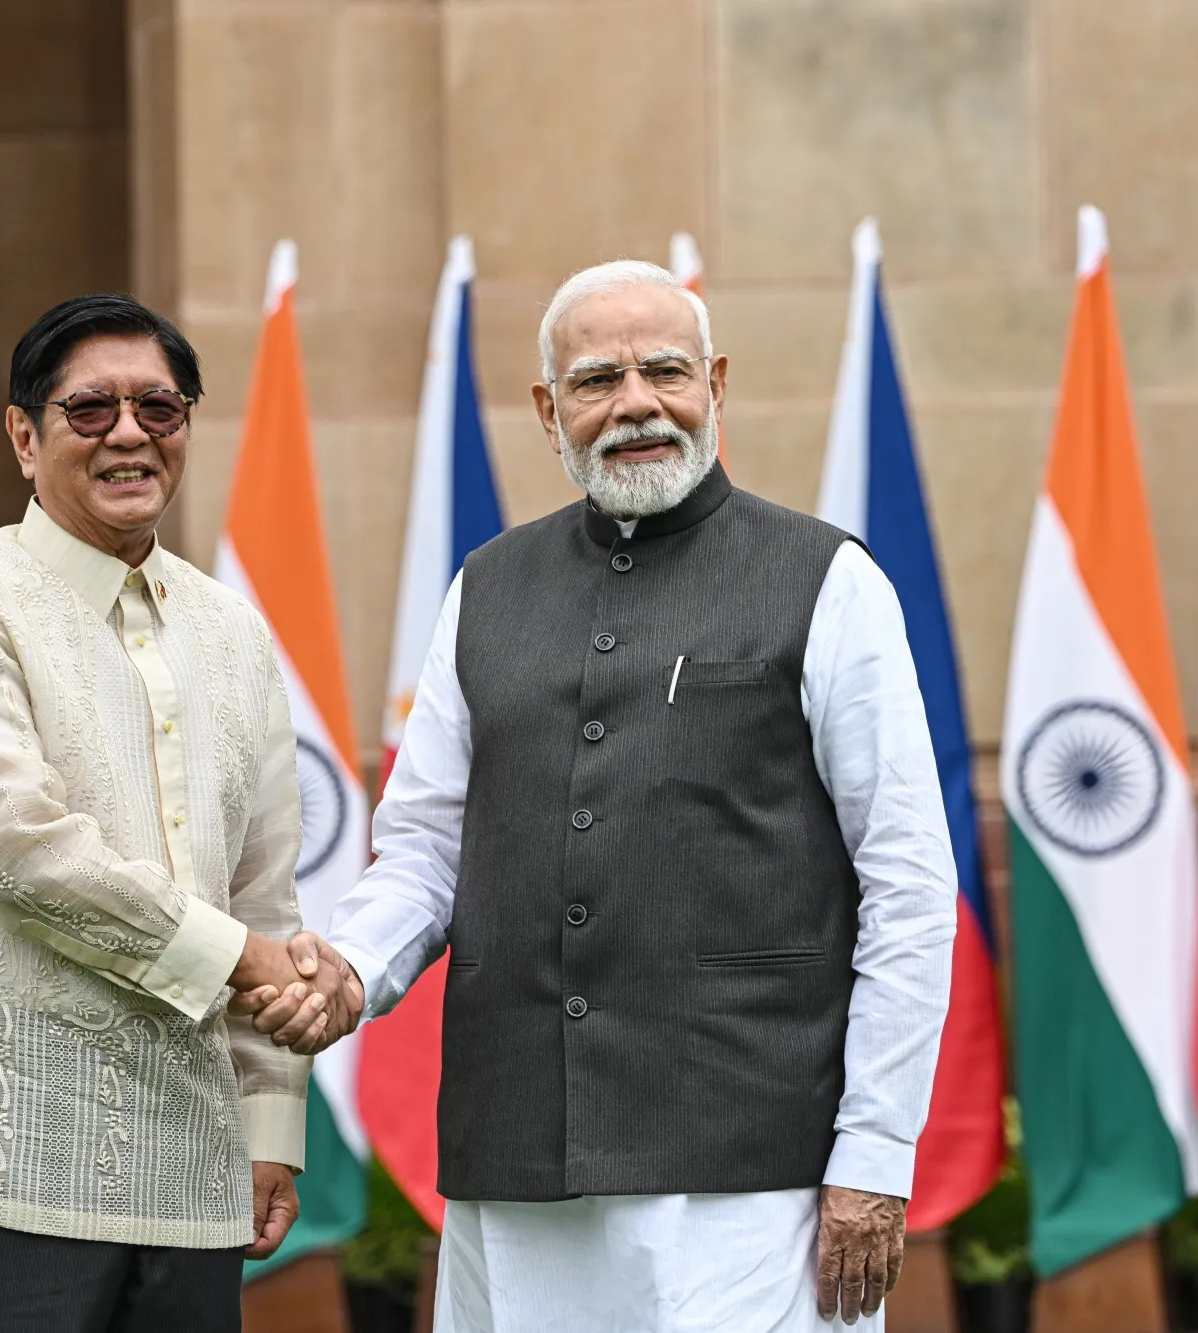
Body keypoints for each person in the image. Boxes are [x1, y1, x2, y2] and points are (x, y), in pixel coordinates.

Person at [255, 260, 958, 1329]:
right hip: (518, 1155)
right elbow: (426, 848)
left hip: (748, 1170)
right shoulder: (483, 590)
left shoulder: (829, 582)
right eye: (596, 380)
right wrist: (351, 969)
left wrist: (874, 1152)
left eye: (664, 370)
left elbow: (907, 887)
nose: (635, 402)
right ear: (549, 412)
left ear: (713, 382)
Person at [0, 293, 362, 1332]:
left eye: (159, 408)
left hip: (194, 1162)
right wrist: (247, 963)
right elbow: (21, 853)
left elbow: (264, 887)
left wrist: (270, 1120)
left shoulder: (231, 633)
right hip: (10, 1152)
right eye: (89, 410)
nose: (128, 433)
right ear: (22, 434)